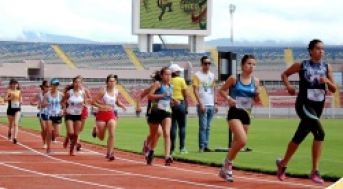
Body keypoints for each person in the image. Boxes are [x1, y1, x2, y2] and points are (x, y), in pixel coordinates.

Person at [276, 39, 336, 184]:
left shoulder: (327, 67)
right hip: (303, 105)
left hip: (318, 107)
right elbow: (284, 74)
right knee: (320, 133)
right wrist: (289, 86)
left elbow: (334, 89)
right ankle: (315, 171)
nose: (321, 51)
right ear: (310, 51)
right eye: (317, 49)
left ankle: (282, 164)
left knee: (299, 136)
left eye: (323, 49)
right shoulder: (301, 65)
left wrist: (327, 82)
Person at [218, 54, 261, 182]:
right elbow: (222, 90)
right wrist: (229, 98)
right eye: (249, 63)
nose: (251, 66)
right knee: (242, 141)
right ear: (242, 65)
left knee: (236, 144)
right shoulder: (234, 78)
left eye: (254, 64)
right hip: (234, 112)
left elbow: (256, 100)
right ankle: (228, 165)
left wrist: (257, 95)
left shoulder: (256, 81)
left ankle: (224, 170)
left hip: (246, 114)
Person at [92, 74, 126, 161]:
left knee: (112, 133)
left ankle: (110, 153)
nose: (112, 83)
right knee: (101, 137)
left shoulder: (116, 91)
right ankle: (96, 130)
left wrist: (122, 105)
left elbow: (117, 101)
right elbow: (93, 102)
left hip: (111, 113)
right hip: (102, 115)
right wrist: (101, 106)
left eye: (114, 81)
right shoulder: (103, 91)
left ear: (116, 82)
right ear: (107, 82)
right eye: (110, 81)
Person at [146, 67, 174, 166]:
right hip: (155, 112)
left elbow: (168, 98)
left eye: (170, 74)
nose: (168, 76)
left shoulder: (171, 86)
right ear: (162, 75)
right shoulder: (158, 84)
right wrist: (161, 95)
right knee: (154, 135)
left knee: (167, 133)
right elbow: (149, 96)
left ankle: (167, 156)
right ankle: (151, 151)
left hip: (166, 112)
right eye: (166, 74)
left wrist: (173, 101)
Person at [192, 56, 218, 152]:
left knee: (208, 126)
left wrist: (215, 103)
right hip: (203, 104)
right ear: (201, 64)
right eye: (205, 63)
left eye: (209, 63)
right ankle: (201, 146)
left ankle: (206, 145)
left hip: (211, 103)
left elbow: (214, 89)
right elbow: (195, 90)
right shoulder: (197, 75)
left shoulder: (212, 75)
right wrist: (200, 103)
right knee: (203, 126)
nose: (207, 65)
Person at [136, 71, 163, 160]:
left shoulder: (167, 87)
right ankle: (148, 148)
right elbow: (141, 96)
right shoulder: (153, 86)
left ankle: (150, 149)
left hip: (163, 113)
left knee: (157, 134)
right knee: (157, 132)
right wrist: (138, 106)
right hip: (151, 112)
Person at [61, 76, 86, 156]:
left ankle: (71, 150)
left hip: (78, 115)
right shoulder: (70, 93)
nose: (77, 84)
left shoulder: (82, 93)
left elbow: (84, 103)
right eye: (76, 82)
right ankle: (67, 138)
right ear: (73, 83)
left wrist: (83, 106)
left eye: (79, 82)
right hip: (69, 114)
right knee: (71, 133)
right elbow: (62, 102)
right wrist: (64, 109)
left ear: (81, 84)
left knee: (76, 134)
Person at [169, 64, 188, 155]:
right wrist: (186, 105)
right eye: (178, 71)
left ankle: (172, 149)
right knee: (182, 126)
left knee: (172, 127)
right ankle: (182, 148)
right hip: (180, 103)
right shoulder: (181, 80)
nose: (180, 72)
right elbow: (185, 93)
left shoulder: (169, 80)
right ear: (175, 72)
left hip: (171, 104)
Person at [42, 78, 63, 154]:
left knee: (57, 133)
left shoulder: (60, 94)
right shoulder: (47, 94)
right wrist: (46, 104)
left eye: (57, 85)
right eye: (54, 85)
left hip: (57, 115)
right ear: (51, 85)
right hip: (49, 115)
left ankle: (53, 131)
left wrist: (62, 110)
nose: (55, 86)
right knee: (49, 131)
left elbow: (64, 104)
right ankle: (48, 147)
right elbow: (42, 105)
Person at [30, 80, 50, 148]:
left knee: (48, 129)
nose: (48, 88)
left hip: (50, 113)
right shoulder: (39, 94)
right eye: (47, 86)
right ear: (43, 87)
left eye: (49, 86)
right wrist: (37, 104)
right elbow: (32, 102)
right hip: (42, 113)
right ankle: (44, 143)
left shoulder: (51, 94)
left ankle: (47, 141)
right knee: (44, 128)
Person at [4, 79, 22, 144]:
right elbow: (5, 99)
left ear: (17, 85)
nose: (14, 85)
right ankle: (9, 132)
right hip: (10, 109)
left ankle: (15, 138)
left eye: (15, 84)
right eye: (13, 84)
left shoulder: (19, 91)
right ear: (11, 85)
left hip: (17, 109)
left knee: (16, 123)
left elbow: (20, 100)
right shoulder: (8, 91)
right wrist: (10, 98)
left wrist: (20, 101)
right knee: (10, 125)